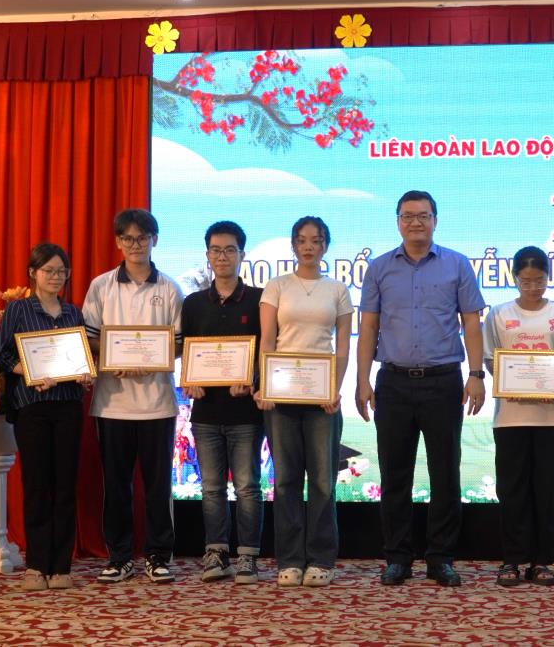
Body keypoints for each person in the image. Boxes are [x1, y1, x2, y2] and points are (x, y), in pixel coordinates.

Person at [355, 190, 486, 587]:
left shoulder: (457, 265)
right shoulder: (379, 268)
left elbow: (472, 323)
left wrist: (476, 374)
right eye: (408, 216)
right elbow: (369, 329)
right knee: (396, 474)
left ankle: (440, 558)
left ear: (435, 220)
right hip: (393, 381)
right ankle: (397, 557)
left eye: (423, 216)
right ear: (397, 221)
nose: (416, 222)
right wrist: (361, 380)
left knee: (445, 472)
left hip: (444, 381)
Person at [82, 208, 184, 584]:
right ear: (118, 242)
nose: (135, 244)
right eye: (128, 238)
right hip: (112, 403)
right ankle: (120, 556)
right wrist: (111, 357)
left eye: (143, 237)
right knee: (117, 486)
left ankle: (158, 555)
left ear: (155, 240)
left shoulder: (170, 288)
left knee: (159, 487)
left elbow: (178, 343)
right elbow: (89, 337)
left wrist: (152, 362)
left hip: (158, 404)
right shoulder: (101, 286)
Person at [259, 216, 353, 588]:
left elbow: (342, 347)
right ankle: (290, 559)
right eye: (302, 240)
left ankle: (321, 559)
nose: (309, 246)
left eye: (316, 240)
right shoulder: (277, 286)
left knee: (323, 483)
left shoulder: (338, 289)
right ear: (294, 245)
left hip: (322, 400)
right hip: (282, 398)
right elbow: (268, 340)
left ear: (326, 246)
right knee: (285, 482)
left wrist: (334, 388)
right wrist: (265, 387)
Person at [0, 243, 92, 591]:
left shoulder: (73, 313)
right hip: (32, 408)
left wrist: (85, 375)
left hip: (67, 404)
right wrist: (30, 372)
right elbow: (3, 357)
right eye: (48, 270)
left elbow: (81, 358)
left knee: (65, 485)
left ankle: (60, 565)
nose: (56, 277)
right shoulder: (18, 310)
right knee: (37, 485)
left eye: (61, 271)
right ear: (33, 273)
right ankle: (37, 564)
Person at [482, 246, 554, 587]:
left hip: (550, 416)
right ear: (515, 278)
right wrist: (511, 379)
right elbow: (491, 358)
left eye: (539, 280)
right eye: (526, 280)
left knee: (544, 489)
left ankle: (542, 561)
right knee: (511, 489)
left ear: (549, 277)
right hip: (510, 416)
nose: (533, 287)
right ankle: (511, 560)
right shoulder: (498, 314)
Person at [181, 221, 264, 584]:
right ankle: (216, 552)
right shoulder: (194, 303)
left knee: (247, 486)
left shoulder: (261, 300)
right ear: (207, 256)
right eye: (216, 250)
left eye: (230, 250)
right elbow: (188, 354)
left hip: (246, 411)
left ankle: (248, 556)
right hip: (206, 412)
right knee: (212, 487)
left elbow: (266, 352)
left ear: (242, 255)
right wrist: (190, 381)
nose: (222, 256)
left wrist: (253, 381)